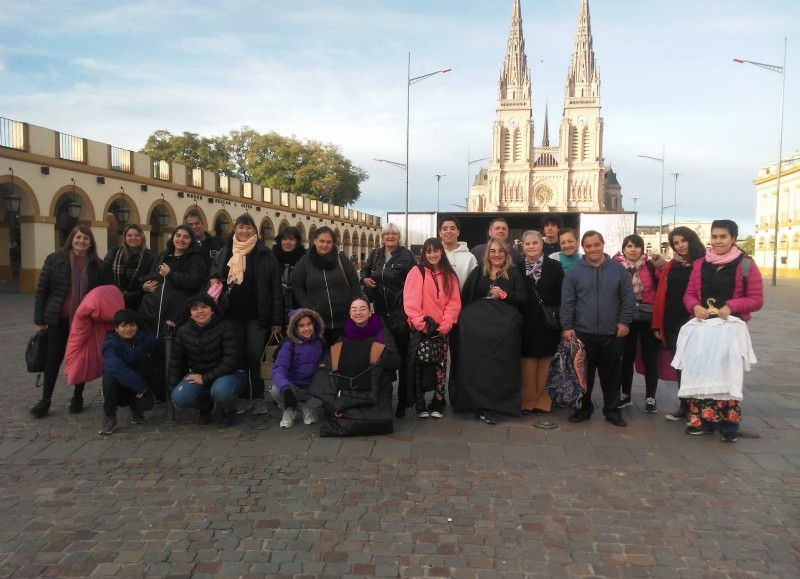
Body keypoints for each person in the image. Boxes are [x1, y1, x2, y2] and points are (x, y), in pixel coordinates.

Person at [679, 219, 763, 442]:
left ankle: (729, 426)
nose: (718, 241)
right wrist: (694, 306)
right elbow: (689, 294)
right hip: (703, 329)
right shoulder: (700, 264)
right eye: (714, 237)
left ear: (733, 238)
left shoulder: (746, 264)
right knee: (702, 372)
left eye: (723, 237)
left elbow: (756, 299)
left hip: (729, 331)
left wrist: (732, 306)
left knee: (728, 374)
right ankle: (703, 422)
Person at [30, 225, 110, 418]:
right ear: (71, 239)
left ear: (91, 242)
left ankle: (78, 396)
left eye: (85, 238)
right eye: (78, 237)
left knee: (80, 359)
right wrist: (39, 320)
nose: (81, 241)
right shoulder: (54, 260)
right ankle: (45, 399)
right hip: (59, 319)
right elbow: (42, 291)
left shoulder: (98, 265)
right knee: (53, 360)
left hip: (84, 322)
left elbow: (103, 293)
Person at [210, 214, 283, 416]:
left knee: (254, 355)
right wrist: (214, 280)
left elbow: (276, 288)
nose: (244, 231)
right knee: (237, 356)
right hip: (230, 315)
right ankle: (242, 396)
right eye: (241, 227)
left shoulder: (265, 254)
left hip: (256, 315)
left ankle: (258, 396)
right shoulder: (226, 252)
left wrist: (277, 320)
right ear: (235, 229)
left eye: (249, 228)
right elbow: (214, 274)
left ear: (255, 231)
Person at [560, 230, 634, 427]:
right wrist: (567, 326)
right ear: (583, 248)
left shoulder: (618, 270)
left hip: (612, 332)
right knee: (583, 375)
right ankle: (584, 408)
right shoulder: (575, 271)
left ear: (603, 245)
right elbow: (567, 301)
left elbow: (628, 298)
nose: (593, 249)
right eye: (588, 246)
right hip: (583, 333)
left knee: (612, 375)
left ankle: (612, 410)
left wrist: (624, 322)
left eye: (596, 244)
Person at [309, 295, 401, 436]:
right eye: (354, 309)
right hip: (350, 383)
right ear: (350, 314)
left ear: (370, 312)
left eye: (363, 308)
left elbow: (395, 361)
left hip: (376, 383)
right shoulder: (345, 334)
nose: (358, 312)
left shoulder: (382, 332)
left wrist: (372, 354)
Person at [458, 238, 527, 424]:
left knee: (499, 367)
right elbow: (466, 297)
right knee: (477, 367)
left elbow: (523, 297)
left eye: (500, 251)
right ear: (487, 253)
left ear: (506, 254)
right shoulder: (479, 270)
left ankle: (498, 405)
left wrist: (504, 295)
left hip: (502, 333)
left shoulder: (513, 272)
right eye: (492, 251)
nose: (496, 254)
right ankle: (475, 403)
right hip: (479, 332)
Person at [137, 225, 206, 401]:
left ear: (191, 241)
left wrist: (172, 275)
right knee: (156, 352)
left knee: (175, 354)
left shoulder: (195, 258)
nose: (181, 240)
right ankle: (158, 393)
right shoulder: (164, 255)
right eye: (178, 235)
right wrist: (144, 286)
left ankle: (174, 392)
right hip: (156, 312)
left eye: (186, 237)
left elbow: (196, 281)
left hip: (178, 312)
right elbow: (153, 275)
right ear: (173, 237)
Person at [652, 226, 707, 422]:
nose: (680, 245)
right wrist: (659, 324)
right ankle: (684, 405)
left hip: (693, 321)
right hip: (672, 321)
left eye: (683, 241)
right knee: (680, 365)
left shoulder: (702, 263)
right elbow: (663, 291)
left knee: (696, 365)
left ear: (691, 240)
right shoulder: (672, 264)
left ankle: (699, 406)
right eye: (676, 242)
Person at [360, 223, 415, 417]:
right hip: (381, 315)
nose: (390, 236)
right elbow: (365, 272)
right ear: (382, 237)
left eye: (394, 234)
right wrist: (364, 279)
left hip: (400, 314)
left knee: (403, 358)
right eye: (386, 234)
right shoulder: (376, 254)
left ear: (399, 237)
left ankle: (403, 402)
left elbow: (415, 283)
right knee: (382, 358)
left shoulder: (407, 257)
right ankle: (384, 398)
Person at [403, 238, 462, 418]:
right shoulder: (417, 272)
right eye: (428, 252)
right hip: (421, 329)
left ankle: (438, 399)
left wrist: (446, 324)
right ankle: (420, 402)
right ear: (424, 254)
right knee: (419, 365)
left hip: (441, 330)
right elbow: (411, 302)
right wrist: (421, 324)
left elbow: (453, 303)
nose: (432, 255)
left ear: (441, 252)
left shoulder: (449, 275)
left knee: (441, 366)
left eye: (435, 251)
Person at [169, 294, 246, 426]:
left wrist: (205, 378)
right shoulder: (183, 332)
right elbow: (176, 362)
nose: (200, 311)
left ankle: (229, 409)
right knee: (179, 397)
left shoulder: (226, 326)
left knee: (221, 391)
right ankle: (205, 405)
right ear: (190, 314)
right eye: (195, 309)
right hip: (200, 375)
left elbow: (231, 360)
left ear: (212, 310)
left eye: (204, 307)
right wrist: (173, 391)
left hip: (230, 374)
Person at [613, 234, 663, 413]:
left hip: (649, 317)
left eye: (636, 246)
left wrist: (663, 264)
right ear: (624, 248)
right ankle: (625, 395)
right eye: (629, 246)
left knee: (651, 358)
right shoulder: (616, 266)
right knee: (626, 358)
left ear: (642, 249)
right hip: (626, 317)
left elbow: (664, 282)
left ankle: (651, 397)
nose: (633, 250)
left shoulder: (651, 265)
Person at [519, 230, 564, 415]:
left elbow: (563, 295)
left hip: (548, 322)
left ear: (541, 245)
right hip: (526, 322)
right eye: (527, 244)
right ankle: (527, 401)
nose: (531, 247)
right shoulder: (516, 267)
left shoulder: (555, 266)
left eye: (534, 243)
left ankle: (543, 401)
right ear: (522, 247)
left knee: (546, 362)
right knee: (527, 363)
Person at [292, 226, 361, 346]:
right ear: (314, 241)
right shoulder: (304, 262)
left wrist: (353, 305)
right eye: (321, 241)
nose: (325, 245)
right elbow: (297, 287)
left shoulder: (341, 259)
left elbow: (355, 283)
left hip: (344, 321)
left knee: (342, 358)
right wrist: (309, 306)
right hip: (317, 323)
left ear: (333, 243)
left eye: (329, 242)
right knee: (321, 360)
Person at [99, 309, 157, 435]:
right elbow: (114, 367)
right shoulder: (110, 345)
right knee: (109, 378)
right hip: (124, 387)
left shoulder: (147, 340)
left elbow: (162, 352)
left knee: (147, 403)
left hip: (141, 385)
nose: (128, 329)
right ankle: (109, 417)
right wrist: (141, 387)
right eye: (123, 326)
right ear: (116, 328)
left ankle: (136, 410)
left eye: (132, 325)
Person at [270, 308, 326, 428]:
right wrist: (286, 389)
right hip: (293, 387)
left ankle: (309, 407)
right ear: (295, 328)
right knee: (276, 390)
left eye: (309, 324)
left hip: (312, 386)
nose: (306, 329)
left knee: (331, 387)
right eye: (301, 326)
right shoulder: (288, 345)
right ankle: (289, 409)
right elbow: (278, 370)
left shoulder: (320, 342)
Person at [103, 223, 156, 311]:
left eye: (137, 235)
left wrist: (136, 292)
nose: (133, 238)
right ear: (125, 238)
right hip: (114, 298)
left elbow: (148, 279)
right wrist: (119, 292)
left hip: (138, 302)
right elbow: (105, 273)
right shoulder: (114, 251)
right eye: (129, 235)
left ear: (142, 238)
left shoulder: (150, 257)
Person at [272, 226, 306, 323]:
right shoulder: (272, 258)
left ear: (297, 241)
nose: (287, 242)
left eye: (291, 239)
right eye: (284, 239)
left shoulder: (304, 260)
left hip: (299, 310)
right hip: (277, 310)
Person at [439, 216, 478, 290]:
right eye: (445, 229)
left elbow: (474, 283)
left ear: (458, 232)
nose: (449, 231)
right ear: (440, 233)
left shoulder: (470, 258)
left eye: (452, 228)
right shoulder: (434, 256)